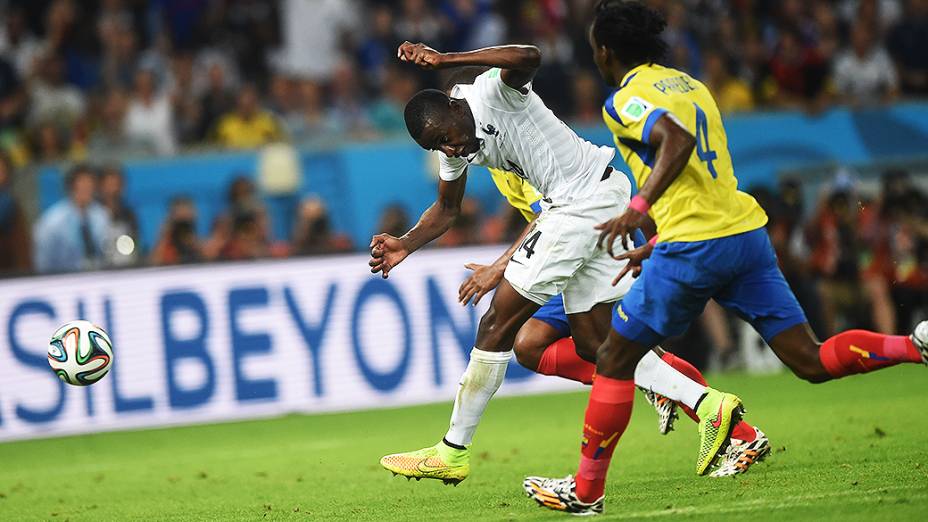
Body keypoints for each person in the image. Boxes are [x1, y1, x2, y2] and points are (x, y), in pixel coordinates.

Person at [524, 2, 928, 515]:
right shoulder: (693, 86)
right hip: (743, 234)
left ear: (606, 52)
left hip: (694, 247)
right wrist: (653, 242)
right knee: (810, 359)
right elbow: (703, 178)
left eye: (595, 50)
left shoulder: (623, 99)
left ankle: (585, 494)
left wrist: (638, 209)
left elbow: (676, 140)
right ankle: (915, 346)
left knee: (612, 358)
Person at [372, 40, 741, 488]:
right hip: (593, 203)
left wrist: (448, 60)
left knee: (497, 323)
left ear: (453, 107)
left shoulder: (493, 92)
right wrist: (405, 244)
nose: (448, 150)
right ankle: (708, 405)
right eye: (437, 148)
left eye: (444, 138)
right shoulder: (456, 149)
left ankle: (452, 450)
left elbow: (530, 55)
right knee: (593, 342)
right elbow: (446, 210)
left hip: (579, 204)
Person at [33, 164, 112, 273]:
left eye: (90, 186)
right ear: (71, 187)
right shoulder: (52, 221)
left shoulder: (102, 215)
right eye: (82, 186)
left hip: (97, 277)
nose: (86, 190)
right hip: (63, 278)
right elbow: (43, 262)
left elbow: (108, 251)